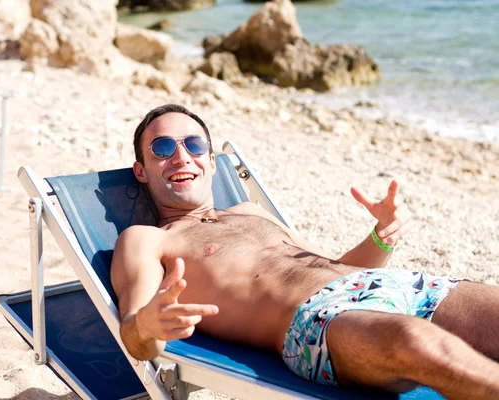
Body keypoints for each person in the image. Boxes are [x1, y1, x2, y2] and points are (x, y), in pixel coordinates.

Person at [111, 104, 499, 399]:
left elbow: (340, 268)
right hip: (316, 324)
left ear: (211, 162)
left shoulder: (249, 211)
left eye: (193, 145)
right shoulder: (146, 239)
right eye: (162, 148)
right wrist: (148, 325)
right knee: (414, 340)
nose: (181, 157)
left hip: (387, 285)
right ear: (141, 170)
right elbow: (134, 335)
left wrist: (382, 237)